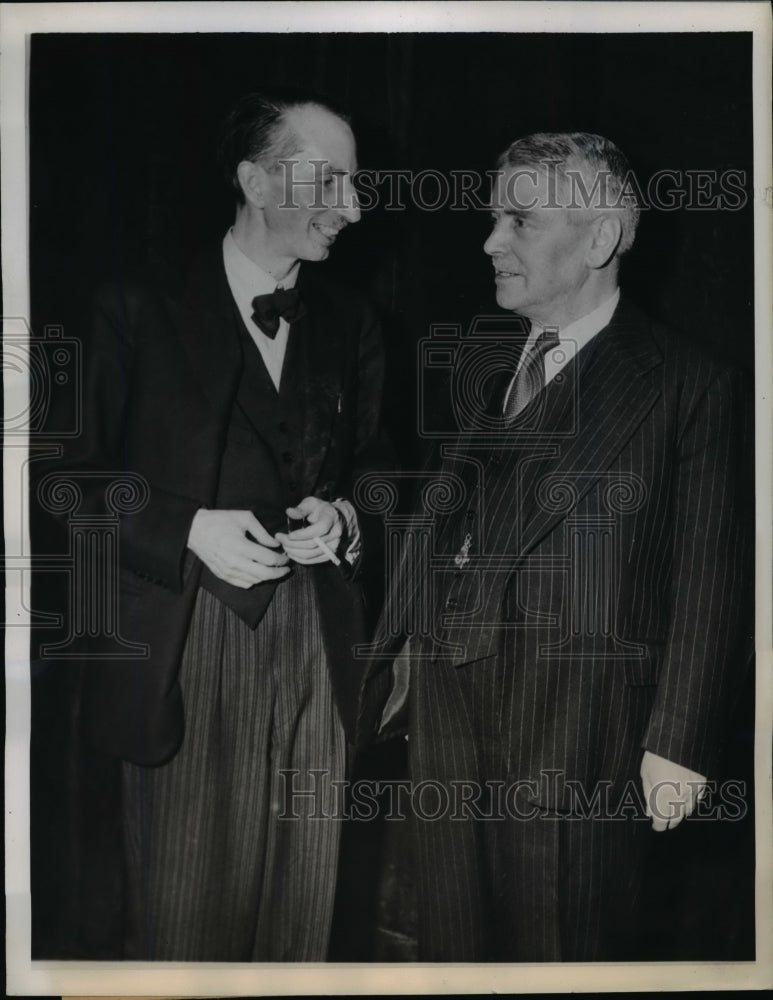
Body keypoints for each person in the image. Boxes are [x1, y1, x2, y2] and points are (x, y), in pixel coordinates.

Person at [357, 132, 752, 961]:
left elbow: (710, 574)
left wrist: (677, 739)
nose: (490, 241)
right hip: (446, 716)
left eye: (519, 220)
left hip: (585, 730)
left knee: (560, 952)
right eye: (494, 217)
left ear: (599, 240)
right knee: (451, 954)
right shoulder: (485, 362)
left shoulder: (687, 382)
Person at [62, 89, 387, 961]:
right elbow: (56, 483)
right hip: (181, 648)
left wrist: (350, 513)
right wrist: (185, 530)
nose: (352, 210)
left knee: (301, 925)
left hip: (321, 650)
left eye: (355, 187)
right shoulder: (131, 305)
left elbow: (387, 475)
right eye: (331, 184)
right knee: (183, 931)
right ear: (253, 178)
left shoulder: (353, 322)